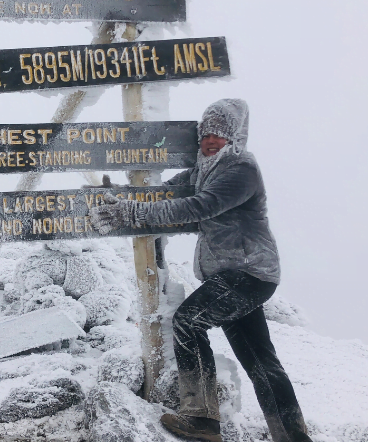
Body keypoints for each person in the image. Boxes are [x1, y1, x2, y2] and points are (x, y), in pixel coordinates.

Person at [89, 99, 312, 442]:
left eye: (219, 134)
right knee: (260, 361)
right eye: (206, 133)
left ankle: (201, 419)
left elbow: (199, 206)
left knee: (187, 322)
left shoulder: (241, 168)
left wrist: (130, 214)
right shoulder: (202, 169)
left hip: (248, 273)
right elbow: (167, 195)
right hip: (236, 277)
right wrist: (119, 196)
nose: (210, 139)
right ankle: (293, 437)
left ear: (234, 137)